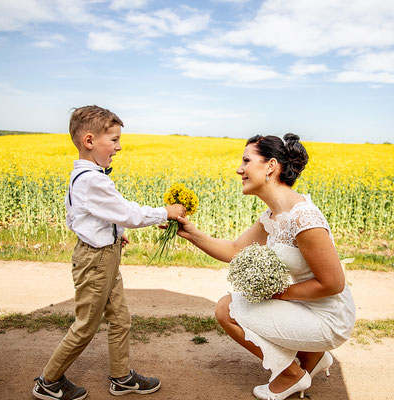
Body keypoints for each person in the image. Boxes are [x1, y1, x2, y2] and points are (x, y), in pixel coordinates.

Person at [176, 133, 356, 400]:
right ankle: (311, 358)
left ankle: (290, 373)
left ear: (271, 166)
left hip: (330, 318)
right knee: (232, 303)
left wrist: (276, 293)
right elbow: (235, 251)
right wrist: (191, 233)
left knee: (229, 309)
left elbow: (333, 284)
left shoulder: (303, 217)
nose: (240, 169)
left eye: (246, 160)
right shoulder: (273, 215)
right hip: (305, 307)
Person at [33, 105, 186, 400]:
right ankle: (48, 381)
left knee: (120, 319)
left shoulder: (86, 176)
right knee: (86, 325)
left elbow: (82, 217)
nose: (119, 147)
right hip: (96, 260)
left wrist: (115, 234)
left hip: (104, 253)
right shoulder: (92, 179)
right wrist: (164, 212)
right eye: (114, 140)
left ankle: (121, 377)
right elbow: (127, 212)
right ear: (90, 141)